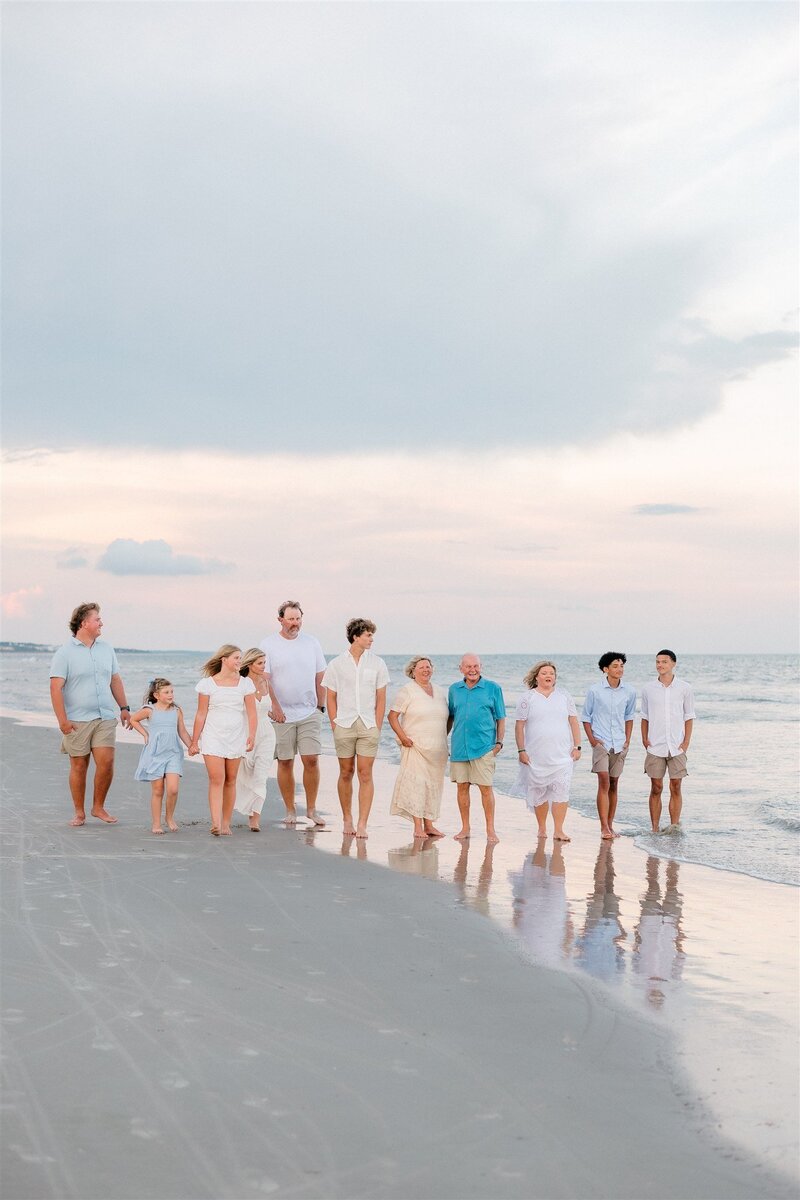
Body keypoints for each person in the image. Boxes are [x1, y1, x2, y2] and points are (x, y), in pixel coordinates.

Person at [48, 602, 132, 826]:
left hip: (104, 717)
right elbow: (55, 688)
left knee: (106, 762)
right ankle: (79, 812)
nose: (101, 623)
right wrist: (62, 721)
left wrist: (124, 708)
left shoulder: (106, 649)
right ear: (84, 623)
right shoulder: (64, 653)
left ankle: (98, 807)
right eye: (97, 619)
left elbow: (115, 679)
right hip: (76, 720)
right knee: (79, 765)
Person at [259, 601, 327, 827]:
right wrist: (275, 707)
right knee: (285, 761)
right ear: (280, 620)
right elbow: (264, 679)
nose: (295, 623)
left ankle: (311, 810)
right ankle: (290, 810)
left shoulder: (312, 643)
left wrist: (321, 706)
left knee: (311, 759)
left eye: (298, 618)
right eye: (290, 619)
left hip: (309, 711)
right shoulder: (268, 644)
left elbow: (320, 675)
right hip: (281, 714)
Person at [323, 618, 390, 839]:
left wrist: (377, 726)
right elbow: (330, 696)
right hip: (344, 724)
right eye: (368, 635)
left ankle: (362, 823)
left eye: (372, 635)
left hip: (369, 725)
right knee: (346, 772)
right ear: (356, 636)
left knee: (365, 773)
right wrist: (334, 723)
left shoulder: (378, 663)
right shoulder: (336, 664)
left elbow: (381, 698)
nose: (371, 639)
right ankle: (347, 819)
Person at [189, 645, 257, 836]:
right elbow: (201, 714)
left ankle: (226, 823)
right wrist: (195, 741)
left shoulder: (245, 684)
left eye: (241, 658)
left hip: (237, 736)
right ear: (224, 660)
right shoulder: (207, 684)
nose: (239, 661)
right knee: (216, 779)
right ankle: (216, 823)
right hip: (213, 736)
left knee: (231, 780)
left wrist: (251, 735)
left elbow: (251, 714)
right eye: (236, 657)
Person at [512, 660, 582, 842]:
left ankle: (559, 830)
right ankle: (542, 827)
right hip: (536, 755)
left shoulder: (564, 696)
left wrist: (577, 746)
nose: (548, 676)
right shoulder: (527, 698)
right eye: (544, 673)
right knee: (539, 791)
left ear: (555, 678)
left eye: (551, 673)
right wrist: (521, 750)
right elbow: (519, 726)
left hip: (562, 755)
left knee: (561, 790)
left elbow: (574, 722)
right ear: (536, 677)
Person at [388, 655, 449, 839]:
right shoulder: (407, 691)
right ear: (413, 671)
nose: (426, 670)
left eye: (428, 667)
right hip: (415, 746)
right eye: (421, 667)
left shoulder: (439, 691)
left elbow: (447, 717)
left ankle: (429, 825)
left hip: (437, 749)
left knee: (433, 786)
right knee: (417, 785)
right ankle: (417, 827)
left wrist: (443, 738)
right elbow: (392, 717)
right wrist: (403, 737)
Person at [447, 654, 505, 844]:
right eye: (468, 666)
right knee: (462, 788)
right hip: (459, 748)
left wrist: (499, 743)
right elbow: (451, 717)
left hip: (483, 747)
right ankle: (465, 828)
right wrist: (443, 740)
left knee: (485, 789)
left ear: (481, 667)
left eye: (476, 666)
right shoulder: (454, 689)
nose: (473, 670)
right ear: (461, 668)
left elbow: (500, 718)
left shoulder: (493, 688)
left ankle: (490, 830)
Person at [582, 652, 636, 840]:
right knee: (604, 781)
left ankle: (611, 825)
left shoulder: (629, 691)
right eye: (615, 666)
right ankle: (603, 826)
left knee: (614, 783)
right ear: (605, 669)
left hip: (620, 743)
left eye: (621, 665)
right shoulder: (595, 691)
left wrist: (628, 739)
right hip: (601, 742)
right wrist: (592, 741)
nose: (619, 669)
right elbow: (586, 718)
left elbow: (629, 717)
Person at [640, 649, 695, 832]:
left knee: (676, 785)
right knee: (656, 787)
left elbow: (689, 716)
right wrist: (644, 739)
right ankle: (654, 828)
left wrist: (686, 742)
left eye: (664, 662)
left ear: (673, 663)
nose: (660, 665)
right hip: (655, 745)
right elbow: (645, 716)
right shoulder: (648, 689)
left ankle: (674, 827)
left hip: (677, 745)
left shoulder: (685, 688)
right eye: (657, 662)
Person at [130, 678, 191, 834]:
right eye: (166, 692)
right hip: (155, 754)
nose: (171, 695)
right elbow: (134, 719)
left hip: (173, 754)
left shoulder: (177, 711)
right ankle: (156, 824)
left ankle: (169, 818)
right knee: (158, 790)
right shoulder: (149, 710)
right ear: (156, 695)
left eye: (172, 691)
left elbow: (182, 731)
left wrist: (191, 745)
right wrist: (145, 734)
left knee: (173, 789)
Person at [234, 648, 276, 831]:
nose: (263, 666)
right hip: (245, 733)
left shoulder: (266, 682)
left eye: (264, 663)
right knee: (241, 775)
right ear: (249, 664)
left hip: (267, 733)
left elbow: (273, 708)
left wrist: (280, 714)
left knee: (260, 776)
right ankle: (232, 807)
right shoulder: (240, 684)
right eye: (260, 663)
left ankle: (254, 819)